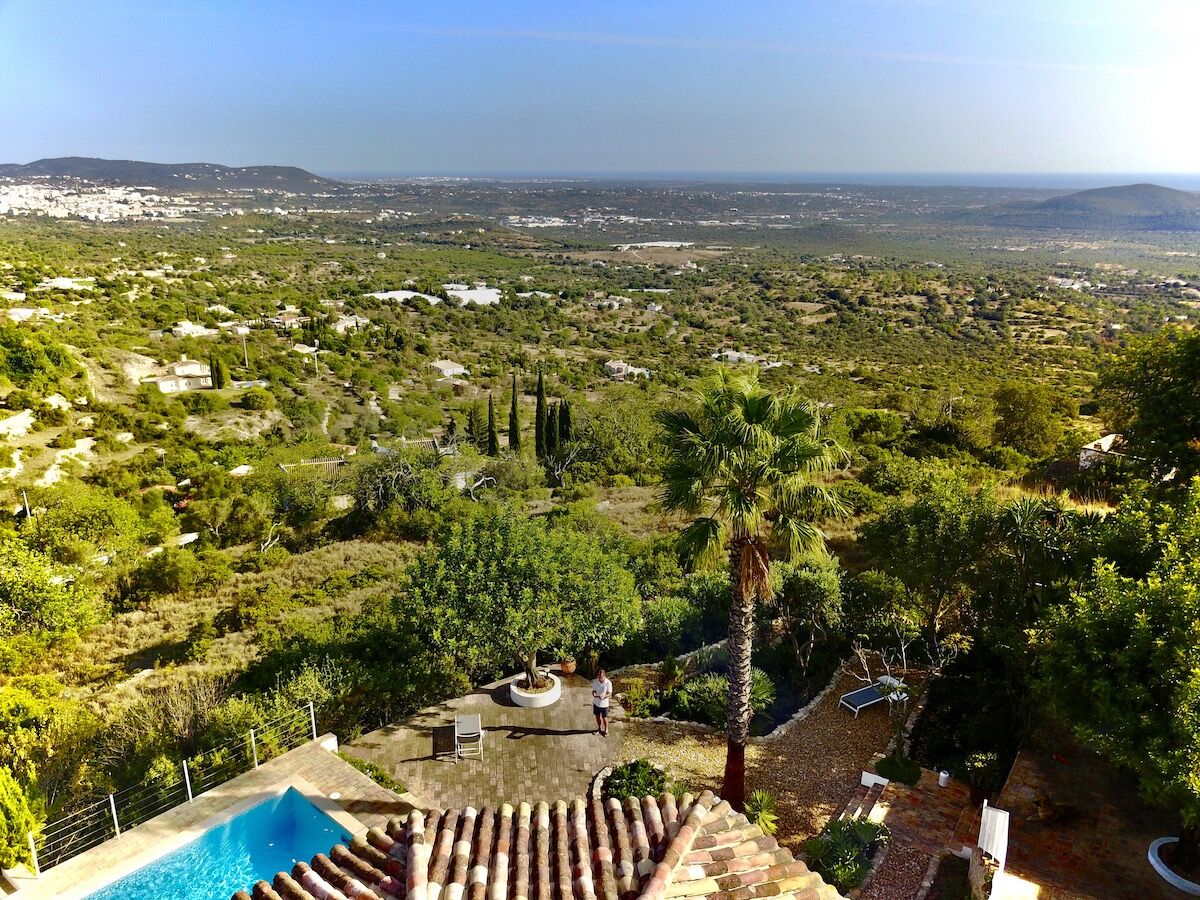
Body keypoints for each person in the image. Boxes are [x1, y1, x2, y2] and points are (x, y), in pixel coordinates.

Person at [591, 668, 612, 737]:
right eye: (599, 676)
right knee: (597, 717)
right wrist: (594, 693)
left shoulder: (608, 683)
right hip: (596, 703)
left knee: (605, 718)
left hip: (604, 704)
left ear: (604, 676)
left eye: (601, 676)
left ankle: (606, 730)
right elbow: (593, 690)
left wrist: (604, 696)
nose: (599, 678)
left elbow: (610, 693)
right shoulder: (595, 681)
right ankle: (599, 728)